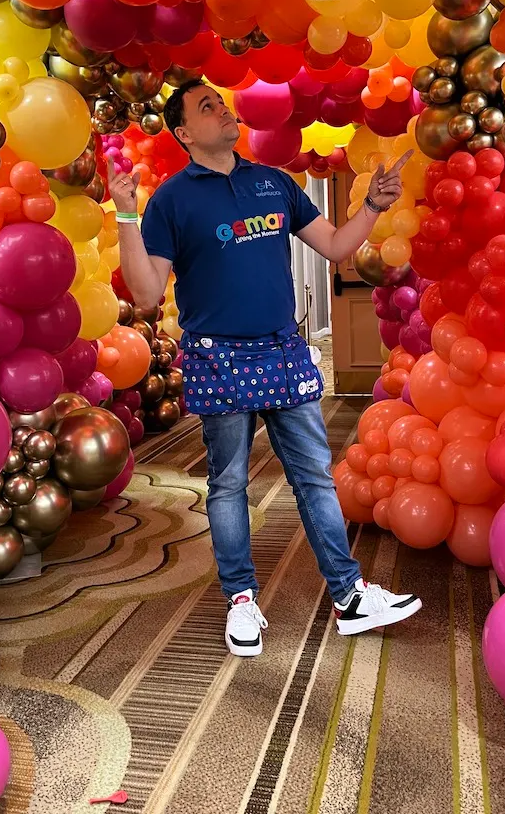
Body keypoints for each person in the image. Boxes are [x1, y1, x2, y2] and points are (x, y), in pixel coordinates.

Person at [107, 80, 421, 657]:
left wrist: (373, 206)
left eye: (221, 102)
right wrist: (127, 214)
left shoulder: (274, 182)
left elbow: (335, 246)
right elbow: (148, 294)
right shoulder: (172, 200)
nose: (223, 109)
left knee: (315, 478)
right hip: (218, 357)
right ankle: (242, 600)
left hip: (282, 351)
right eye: (207, 106)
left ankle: (349, 596)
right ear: (184, 133)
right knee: (228, 483)